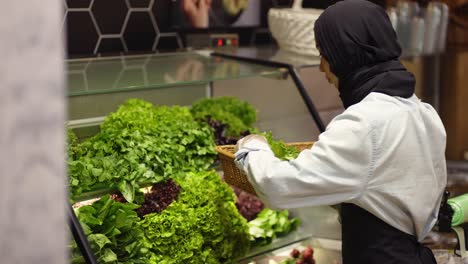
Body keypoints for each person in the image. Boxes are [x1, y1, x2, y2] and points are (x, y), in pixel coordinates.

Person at [234, 0, 447, 263]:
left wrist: (251, 148)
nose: (322, 67)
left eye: (325, 54)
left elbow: (277, 185)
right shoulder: (422, 111)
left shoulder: (364, 124)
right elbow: (393, 192)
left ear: (346, 55)